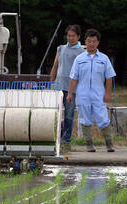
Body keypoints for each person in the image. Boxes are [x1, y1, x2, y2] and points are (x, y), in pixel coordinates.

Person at [67, 28, 116, 152]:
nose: (91, 44)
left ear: (98, 42)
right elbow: (73, 78)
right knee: (85, 119)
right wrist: (69, 93)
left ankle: (109, 143)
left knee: (103, 118)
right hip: (82, 94)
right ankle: (89, 144)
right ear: (85, 42)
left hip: (99, 94)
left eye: (94, 41)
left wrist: (108, 93)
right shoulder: (79, 59)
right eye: (89, 41)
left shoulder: (104, 59)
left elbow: (109, 77)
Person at [50, 24, 84, 152]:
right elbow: (55, 66)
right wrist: (50, 81)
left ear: (78, 37)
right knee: (56, 114)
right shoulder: (61, 49)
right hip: (58, 86)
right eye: (69, 35)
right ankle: (55, 137)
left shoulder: (81, 52)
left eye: (73, 36)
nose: (70, 38)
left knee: (69, 115)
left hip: (72, 88)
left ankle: (66, 140)